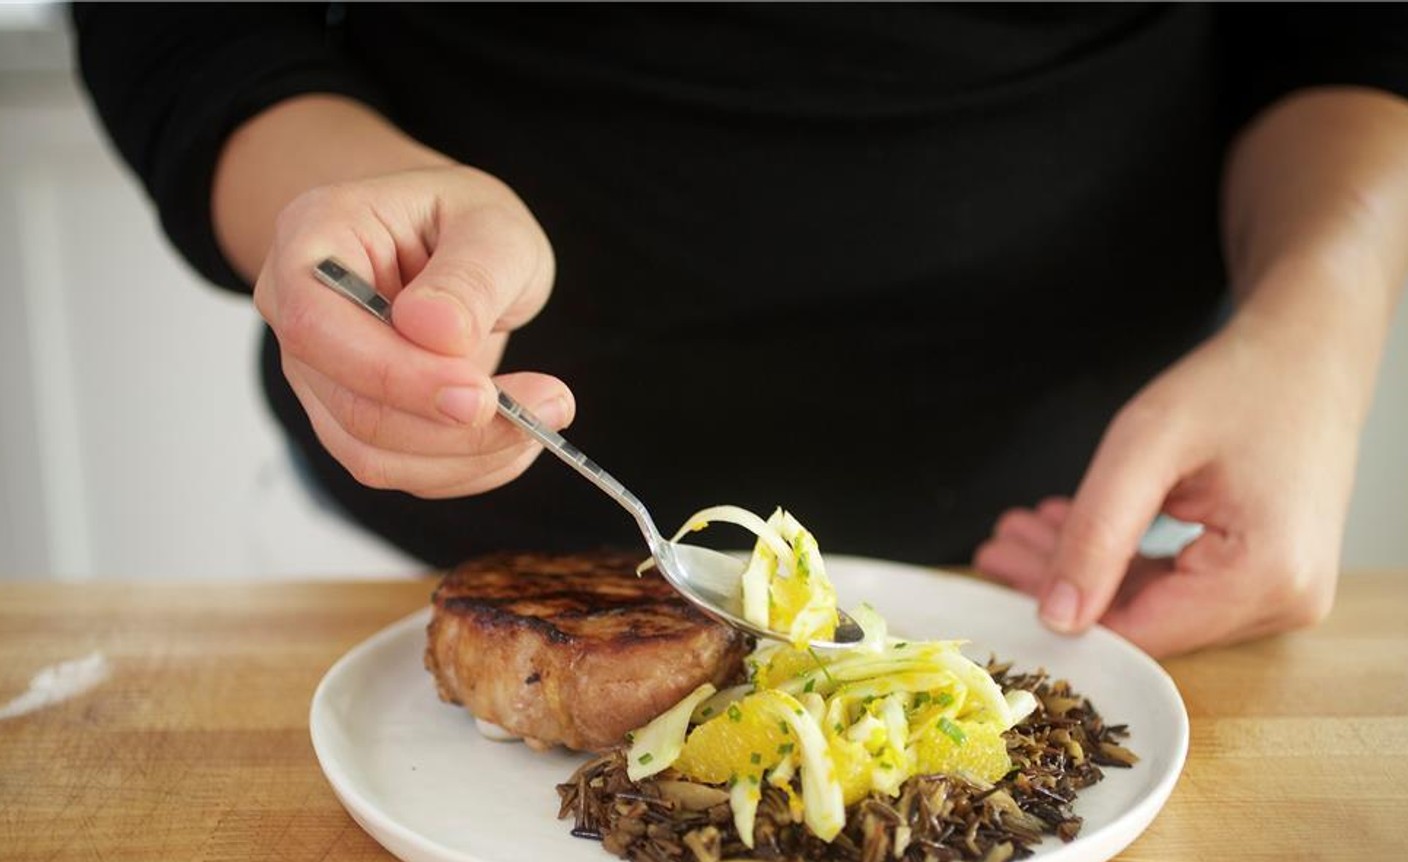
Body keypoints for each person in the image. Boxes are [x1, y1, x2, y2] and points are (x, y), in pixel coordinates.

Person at [70, 3, 1408, 657]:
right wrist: (320, 190)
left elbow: (1349, 26)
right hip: (417, 565)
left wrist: (1322, 325)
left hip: (1107, 560)